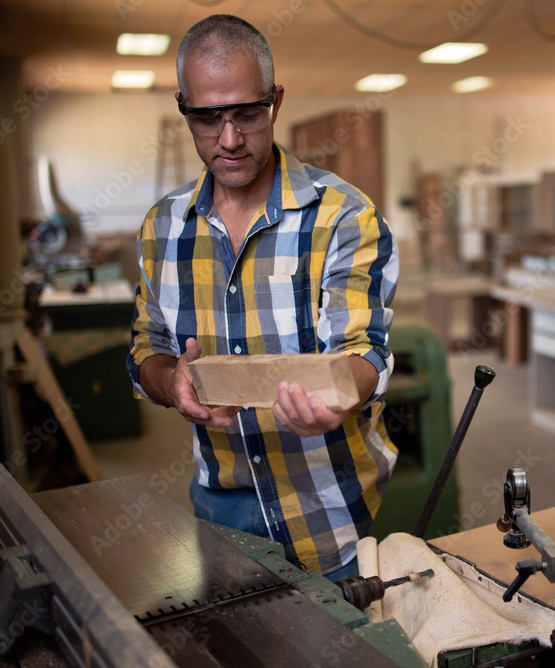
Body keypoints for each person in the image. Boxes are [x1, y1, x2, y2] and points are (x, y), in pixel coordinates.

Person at [127, 14, 399, 582]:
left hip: (328, 513)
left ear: (275, 102)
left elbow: (364, 350)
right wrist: (172, 381)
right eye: (207, 117)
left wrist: (341, 394)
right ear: (184, 107)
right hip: (218, 510)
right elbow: (145, 350)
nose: (229, 139)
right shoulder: (162, 229)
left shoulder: (344, 216)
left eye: (247, 114)